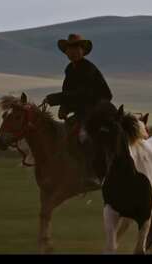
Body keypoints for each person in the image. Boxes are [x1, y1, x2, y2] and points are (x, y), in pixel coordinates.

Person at [44, 34, 113, 189]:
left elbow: (84, 94)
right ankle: (73, 173)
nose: (73, 51)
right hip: (83, 111)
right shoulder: (70, 69)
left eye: (76, 48)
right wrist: (64, 107)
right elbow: (69, 92)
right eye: (70, 49)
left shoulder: (88, 68)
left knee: (83, 136)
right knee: (66, 136)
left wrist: (57, 99)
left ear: (82, 50)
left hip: (98, 109)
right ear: (66, 52)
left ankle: (94, 175)